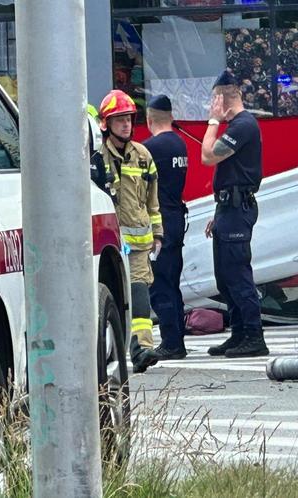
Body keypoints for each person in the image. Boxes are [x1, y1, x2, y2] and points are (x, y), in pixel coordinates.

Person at [201, 71, 269, 358]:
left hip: (238, 208)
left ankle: (254, 336)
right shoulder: (239, 126)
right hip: (228, 207)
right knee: (224, 276)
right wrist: (219, 211)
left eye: (214, 100)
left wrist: (213, 122)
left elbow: (208, 156)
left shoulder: (242, 125)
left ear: (222, 99)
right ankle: (239, 333)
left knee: (238, 274)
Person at [98, 89, 163, 373]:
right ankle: (116, 349)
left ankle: (142, 348)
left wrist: (158, 233)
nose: (125, 124)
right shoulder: (97, 158)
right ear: (106, 124)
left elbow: (152, 200)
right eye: (119, 120)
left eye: (128, 119)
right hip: (110, 244)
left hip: (138, 243)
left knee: (139, 293)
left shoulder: (143, 156)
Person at [143, 95, 189, 360]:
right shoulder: (180, 144)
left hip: (159, 221)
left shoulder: (151, 148)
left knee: (159, 283)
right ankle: (177, 338)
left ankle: (171, 343)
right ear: (170, 117)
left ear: (149, 120)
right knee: (173, 282)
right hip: (176, 217)